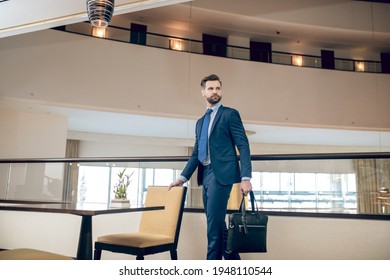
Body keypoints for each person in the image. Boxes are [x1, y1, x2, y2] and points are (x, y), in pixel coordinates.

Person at [169, 74, 252, 260]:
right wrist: (182, 178)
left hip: (221, 175)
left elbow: (243, 144)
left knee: (213, 229)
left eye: (218, 88)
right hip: (205, 174)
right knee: (217, 225)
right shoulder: (200, 122)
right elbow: (196, 153)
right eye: (211, 88)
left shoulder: (230, 114)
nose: (215, 92)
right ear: (203, 92)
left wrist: (246, 177)